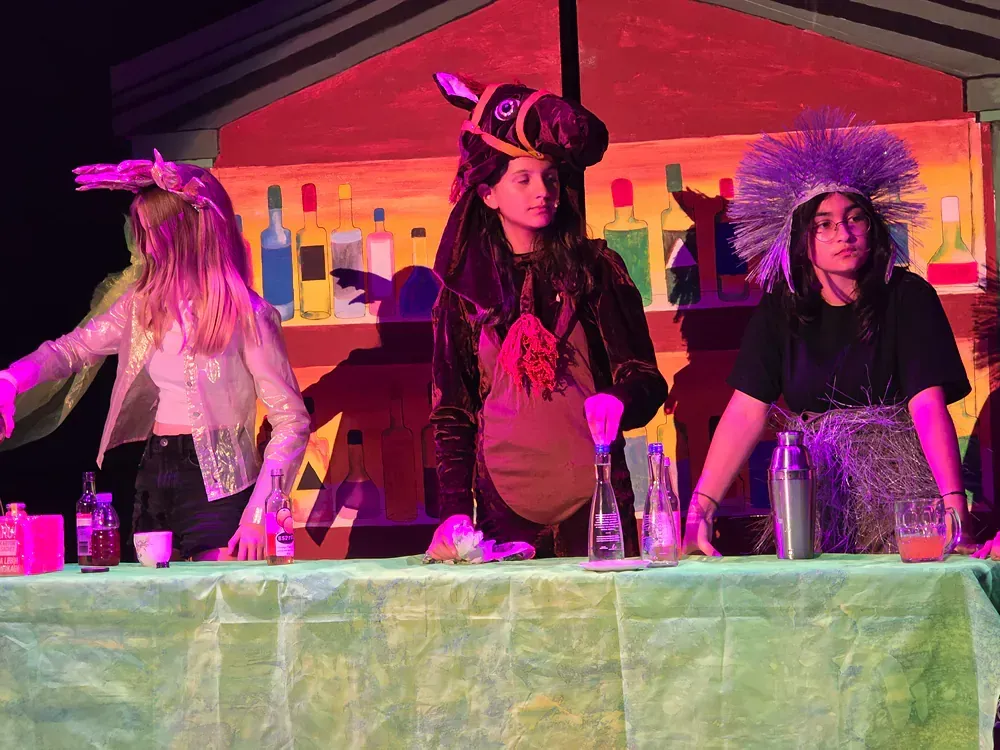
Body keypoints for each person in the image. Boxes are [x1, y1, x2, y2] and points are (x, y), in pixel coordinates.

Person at [682, 109, 976, 556]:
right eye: (824, 223)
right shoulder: (782, 308)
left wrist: (954, 506)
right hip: (813, 492)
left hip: (900, 493)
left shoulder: (906, 296)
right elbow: (745, 410)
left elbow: (927, 404)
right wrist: (700, 509)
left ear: (872, 228)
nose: (843, 232)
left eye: (854, 218)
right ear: (802, 239)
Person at [0, 152, 310, 561]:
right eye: (140, 232)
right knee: (159, 605)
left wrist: (260, 512)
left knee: (214, 607)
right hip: (154, 468)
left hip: (219, 480)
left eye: (150, 232)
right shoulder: (142, 305)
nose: (143, 244)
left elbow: (291, 420)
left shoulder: (247, 315)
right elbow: (72, 349)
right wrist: (11, 380)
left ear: (180, 235)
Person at [424, 73, 667, 561]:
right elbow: (453, 410)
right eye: (524, 178)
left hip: (596, 503)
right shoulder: (464, 294)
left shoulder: (595, 269)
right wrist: (455, 511)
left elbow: (645, 379)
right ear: (489, 193)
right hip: (504, 512)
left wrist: (618, 400)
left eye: (550, 179)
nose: (542, 191)